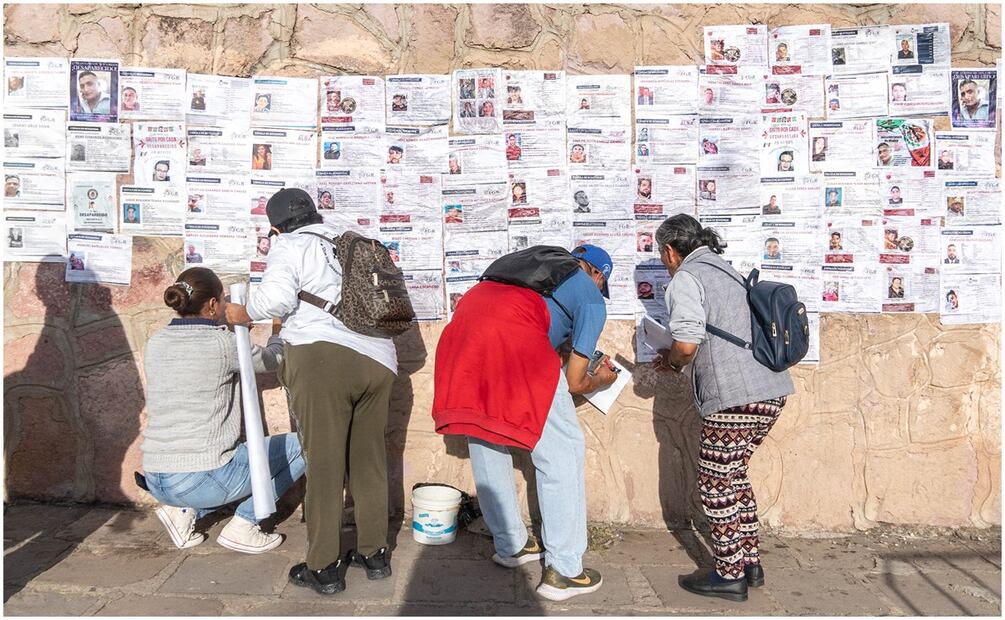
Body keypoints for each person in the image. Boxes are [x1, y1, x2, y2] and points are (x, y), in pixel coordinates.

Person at [224, 188, 400, 596]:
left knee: (323, 464)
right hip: (380, 359)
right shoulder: (351, 236)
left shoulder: (289, 245)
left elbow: (278, 299)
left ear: (274, 227)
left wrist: (242, 312)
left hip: (323, 362)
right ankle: (375, 554)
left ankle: (323, 566)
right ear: (316, 213)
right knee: (368, 459)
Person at [432, 244, 618, 602]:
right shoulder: (590, 295)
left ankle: (512, 546)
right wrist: (604, 380)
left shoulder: (529, 271)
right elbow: (578, 382)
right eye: (601, 283)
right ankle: (564, 571)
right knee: (562, 453)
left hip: (463, 337)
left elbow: (520, 314)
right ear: (596, 274)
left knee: (486, 436)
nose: (599, 291)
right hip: (514, 346)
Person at [651, 214, 794, 603]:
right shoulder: (726, 270)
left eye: (661, 255)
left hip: (735, 395)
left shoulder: (687, 277)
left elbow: (686, 343)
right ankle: (750, 562)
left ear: (669, 250)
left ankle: (729, 574)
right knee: (733, 475)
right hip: (770, 390)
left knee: (714, 482)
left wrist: (673, 361)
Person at [142, 267, 304, 553]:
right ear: (213, 305)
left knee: (228, 460)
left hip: (157, 478)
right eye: (223, 300)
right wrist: (278, 327)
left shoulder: (156, 341)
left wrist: (234, 337)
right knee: (307, 444)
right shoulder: (224, 343)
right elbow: (274, 360)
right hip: (199, 479)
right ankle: (245, 525)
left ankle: (183, 512)